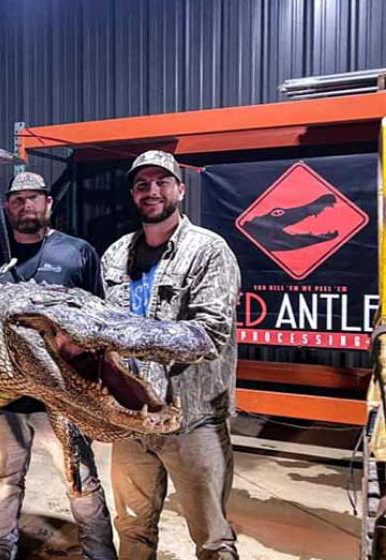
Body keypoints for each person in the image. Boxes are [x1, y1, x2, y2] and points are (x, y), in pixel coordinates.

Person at [0, 171, 116, 560]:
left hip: (62, 396)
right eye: (17, 200)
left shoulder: (77, 252)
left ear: (48, 203)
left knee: (80, 478)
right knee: (5, 479)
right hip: (7, 395)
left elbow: (99, 319)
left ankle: (100, 554)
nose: (26, 206)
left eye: (33, 198)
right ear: (7, 207)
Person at [102, 150, 240, 559]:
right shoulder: (115, 255)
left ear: (180, 189)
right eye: (142, 184)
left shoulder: (208, 251)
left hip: (193, 420)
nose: (152, 191)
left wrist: (134, 336)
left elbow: (210, 334)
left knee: (212, 538)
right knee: (132, 529)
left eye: (162, 182)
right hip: (132, 418)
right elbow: (103, 330)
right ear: (133, 195)